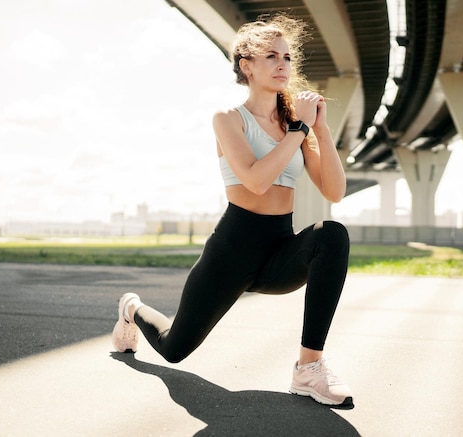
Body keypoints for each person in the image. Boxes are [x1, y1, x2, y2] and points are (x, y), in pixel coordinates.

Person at [112, 14, 353, 407]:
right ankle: (132, 308)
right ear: (246, 65)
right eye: (271, 56)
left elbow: (335, 191)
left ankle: (309, 369)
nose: (282, 65)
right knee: (174, 349)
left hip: (278, 250)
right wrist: (299, 132)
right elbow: (256, 181)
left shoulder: (296, 126)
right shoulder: (228, 120)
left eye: (288, 58)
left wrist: (320, 131)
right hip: (232, 250)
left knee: (332, 233)